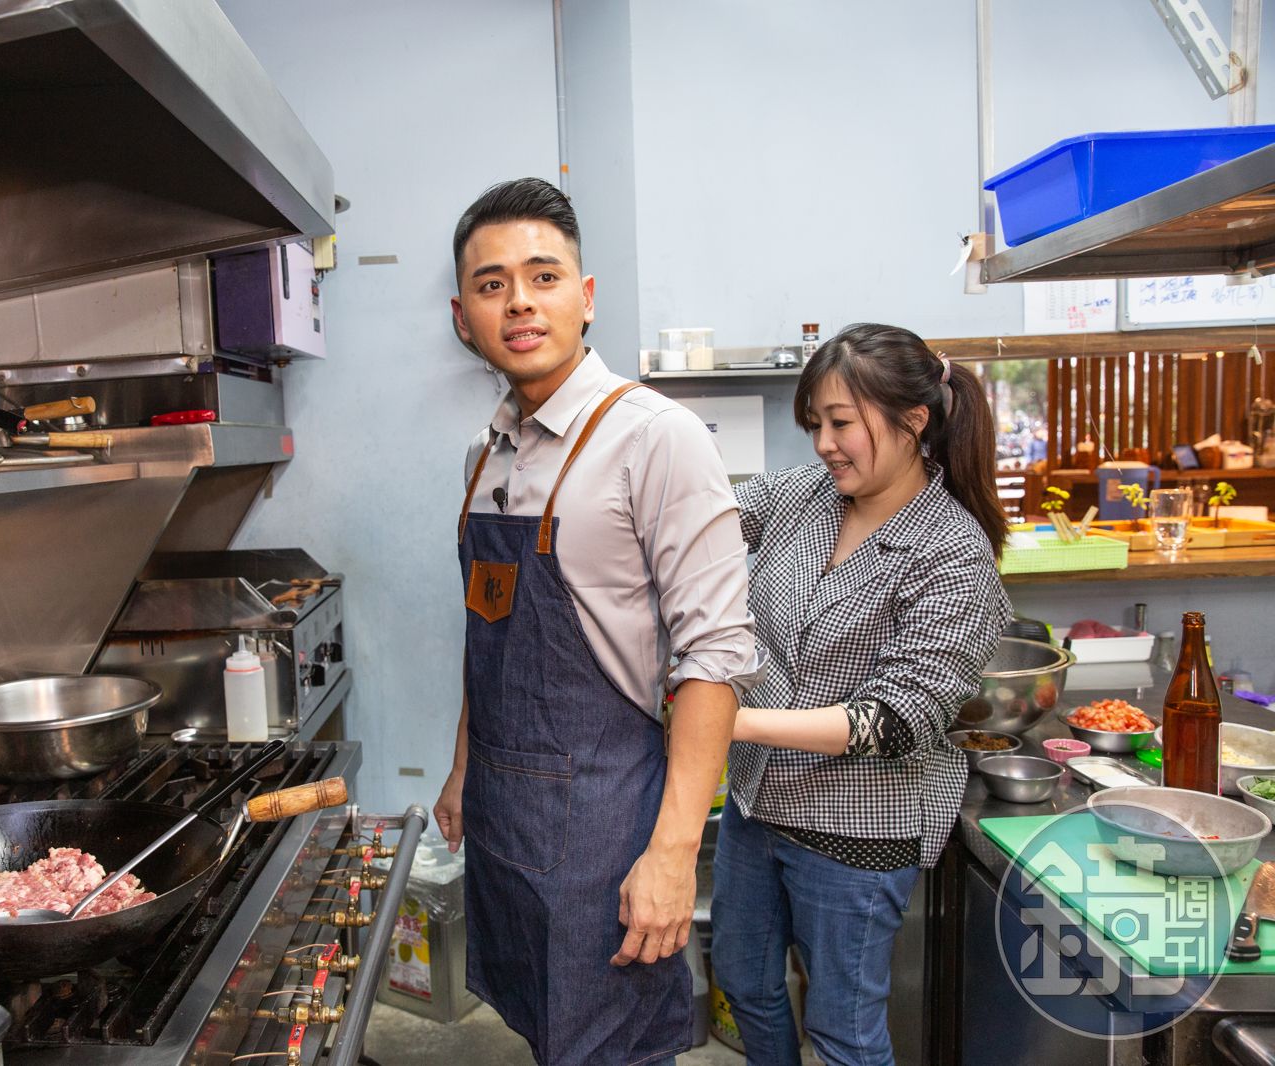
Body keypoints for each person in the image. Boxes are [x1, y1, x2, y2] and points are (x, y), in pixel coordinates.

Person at [432, 177, 761, 1066]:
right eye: (492, 284)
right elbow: (484, 632)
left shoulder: (657, 438)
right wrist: (464, 770)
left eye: (542, 277)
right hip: (505, 813)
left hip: (606, 827)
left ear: (585, 297)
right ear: (464, 317)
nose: (519, 302)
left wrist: (673, 856)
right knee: (546, 1032)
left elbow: (716, 658)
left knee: (611, 1046)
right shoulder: (483, 456)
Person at [709, 323, 1012, 1066]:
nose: (823, 444)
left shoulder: (953, 552)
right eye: (815, 423)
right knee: (744, 982)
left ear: (914, 421)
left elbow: (894, 721)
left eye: (841, 423)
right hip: (757, 803)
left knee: (842, 1030)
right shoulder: (805, 496)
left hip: (854, 828)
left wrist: (723, 721)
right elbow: (707, 522)